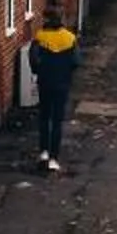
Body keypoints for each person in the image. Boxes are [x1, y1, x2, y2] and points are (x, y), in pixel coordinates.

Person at [27, 9, 80, 172]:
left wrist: (40, 71)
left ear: (47, 20)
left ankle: (43, 151)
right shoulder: (70, 38)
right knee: (57, 120)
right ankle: (54, 158)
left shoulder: (40, 37)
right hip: (62, 83)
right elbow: (76, 61)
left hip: (45, 82)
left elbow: (33, 59)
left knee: (44, 117)